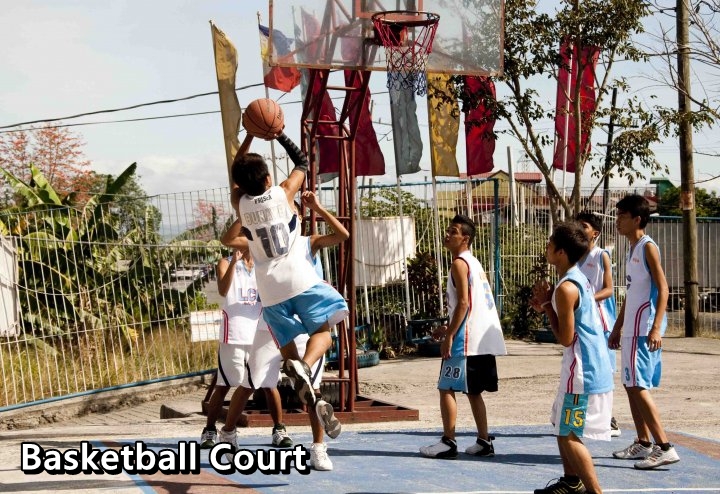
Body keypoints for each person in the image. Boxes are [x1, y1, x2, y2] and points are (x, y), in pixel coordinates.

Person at [221, 131, 348, 470]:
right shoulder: (283, 194)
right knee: (323, 333)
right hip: (300, 285)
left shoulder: (242, 205)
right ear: (268, 179)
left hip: (271, 295)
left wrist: (250, 135)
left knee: (297, 368)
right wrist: (279, 134)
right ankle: (302, 368)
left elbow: (235, 175)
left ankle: (315, 437)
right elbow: (303, 161)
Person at [530, 221, 614, 494]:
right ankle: (571, 481)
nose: (546, 247)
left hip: (583, 371)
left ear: (562, 252)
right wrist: (547, 305)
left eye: (550, 244)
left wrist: (548, 306)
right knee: (560, 423)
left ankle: (594, 491)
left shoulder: (566, 288)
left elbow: (565, 338)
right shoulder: (577, 278)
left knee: (568, 432)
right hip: (585, 365)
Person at [419, 215, 507, 460]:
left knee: (446, 387)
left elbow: (464, 303)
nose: (447, 234)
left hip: (466, 340)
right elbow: (470, 304)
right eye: (447, 230)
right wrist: (447, 326)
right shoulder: (474, 262)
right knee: (473, 391)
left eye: (453, 231)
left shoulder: (459, 263)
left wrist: (449, 335)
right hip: (480, 339)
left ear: (465, 238)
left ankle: (448, 442)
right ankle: (484, 441)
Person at [608, 194, 680, 470]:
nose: (617, 221)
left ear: (637, 219)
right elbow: (632, 294)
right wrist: (617, 327)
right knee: (630, 385)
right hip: (631, 329)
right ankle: (643, 442)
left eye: (622, 216)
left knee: (639, 385)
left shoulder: (648, 247)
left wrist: (656, 328)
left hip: (644, 328)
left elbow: (663, 289)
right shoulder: (631, 249)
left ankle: (665, 447)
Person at [200, 249, 292, 450]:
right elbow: (223, 290)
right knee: (225, 384)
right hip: (234, 332)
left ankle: (279, 429)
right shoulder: (226, 262)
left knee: (269, 383)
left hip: (261, 331)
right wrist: (234, 262)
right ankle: (209, 430)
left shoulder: (263, 263)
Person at [574, 210, 621, 437]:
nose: (579, 229)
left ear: (596, 233)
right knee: (581, 369)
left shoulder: (601, 255)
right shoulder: (574, 257)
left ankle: (608, 419)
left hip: (600, 321)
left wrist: (586, 298)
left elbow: (609, 289)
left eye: (584, 226)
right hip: (581, 320)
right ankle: (579, 415)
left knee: (603, 370)